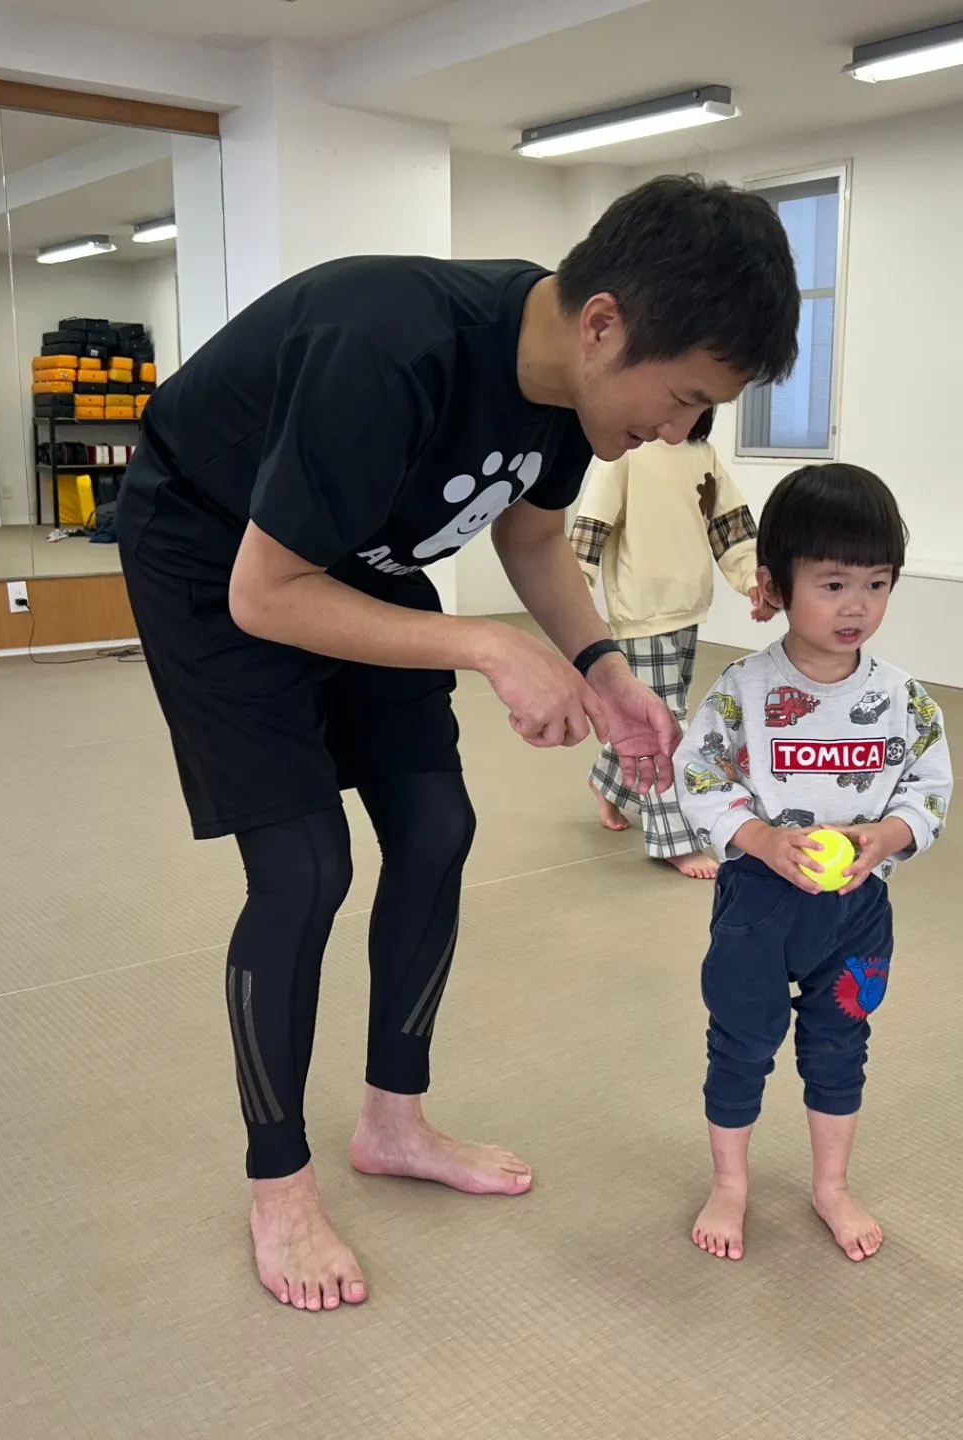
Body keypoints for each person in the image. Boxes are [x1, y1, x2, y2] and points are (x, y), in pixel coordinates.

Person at [116, 174, 801, 1313]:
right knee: (304, 866)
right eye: (681, 399)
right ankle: (278, 1178)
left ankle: (393, 1119)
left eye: (701, 416)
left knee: (436, 823)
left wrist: (605, 669)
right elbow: (268, 592)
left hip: (365, 562)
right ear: (603, 324)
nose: (676, 434)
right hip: (215, 556)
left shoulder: (571, 402)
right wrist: (480, 647)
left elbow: (534, 540)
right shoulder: (386, 353)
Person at [673, 464, 954, 1264]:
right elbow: (698, 775)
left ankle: (830, 1185)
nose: (856, 605)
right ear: (775, 584)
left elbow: (930, 789)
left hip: (855, 913)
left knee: (841, 1046)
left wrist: (889, 837)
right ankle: (731, 1183)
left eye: (877, 582)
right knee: (741, 1042)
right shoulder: (743, 690)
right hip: (760, 906)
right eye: (832, 584)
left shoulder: (907, 699)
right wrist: (759, 839)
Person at [573, 406, 771, 879]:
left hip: (688, 608)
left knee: (656, 713)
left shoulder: (702, 454)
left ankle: (606, 782)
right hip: (640, 614)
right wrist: (573, 600)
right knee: (666, 726)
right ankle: (672, 841)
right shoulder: (623, 453)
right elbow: (590, 529)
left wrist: (754, 581)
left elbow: (733, 526)